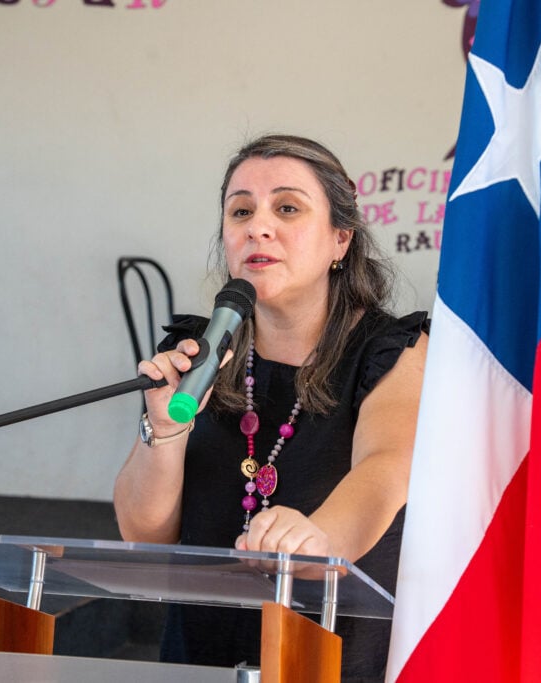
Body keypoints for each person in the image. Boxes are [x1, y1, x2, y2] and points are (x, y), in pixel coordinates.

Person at [113, 134, 428, 682]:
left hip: (331, 653)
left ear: (340, 240)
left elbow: (387, 468)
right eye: (241, 211)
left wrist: (318, 540)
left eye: (287, 208)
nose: (258, 226)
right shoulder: (197, 352)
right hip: (202, 655)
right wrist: (163, 431)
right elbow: (144, 535)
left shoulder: (391, 349)